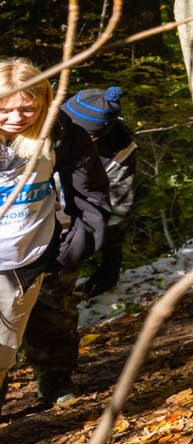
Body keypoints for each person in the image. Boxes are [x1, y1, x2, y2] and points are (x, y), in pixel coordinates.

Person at [0, 61, 113, 412]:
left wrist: (73, 248)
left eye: (28, 108)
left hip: (22, 263)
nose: (17, 118)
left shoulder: (60, 132)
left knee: (2, 352)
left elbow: (91, 190)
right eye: (4, 108)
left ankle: (54, 378)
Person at [23, 87, 135, 405]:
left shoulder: (120, 146)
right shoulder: (32, 131)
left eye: (96, 137)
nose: (90, 142)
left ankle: (56, 382)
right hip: (14, 235)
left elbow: (116, 203)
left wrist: (106, 255)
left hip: (62, 238)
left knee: (54, 310)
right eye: (84, 134)